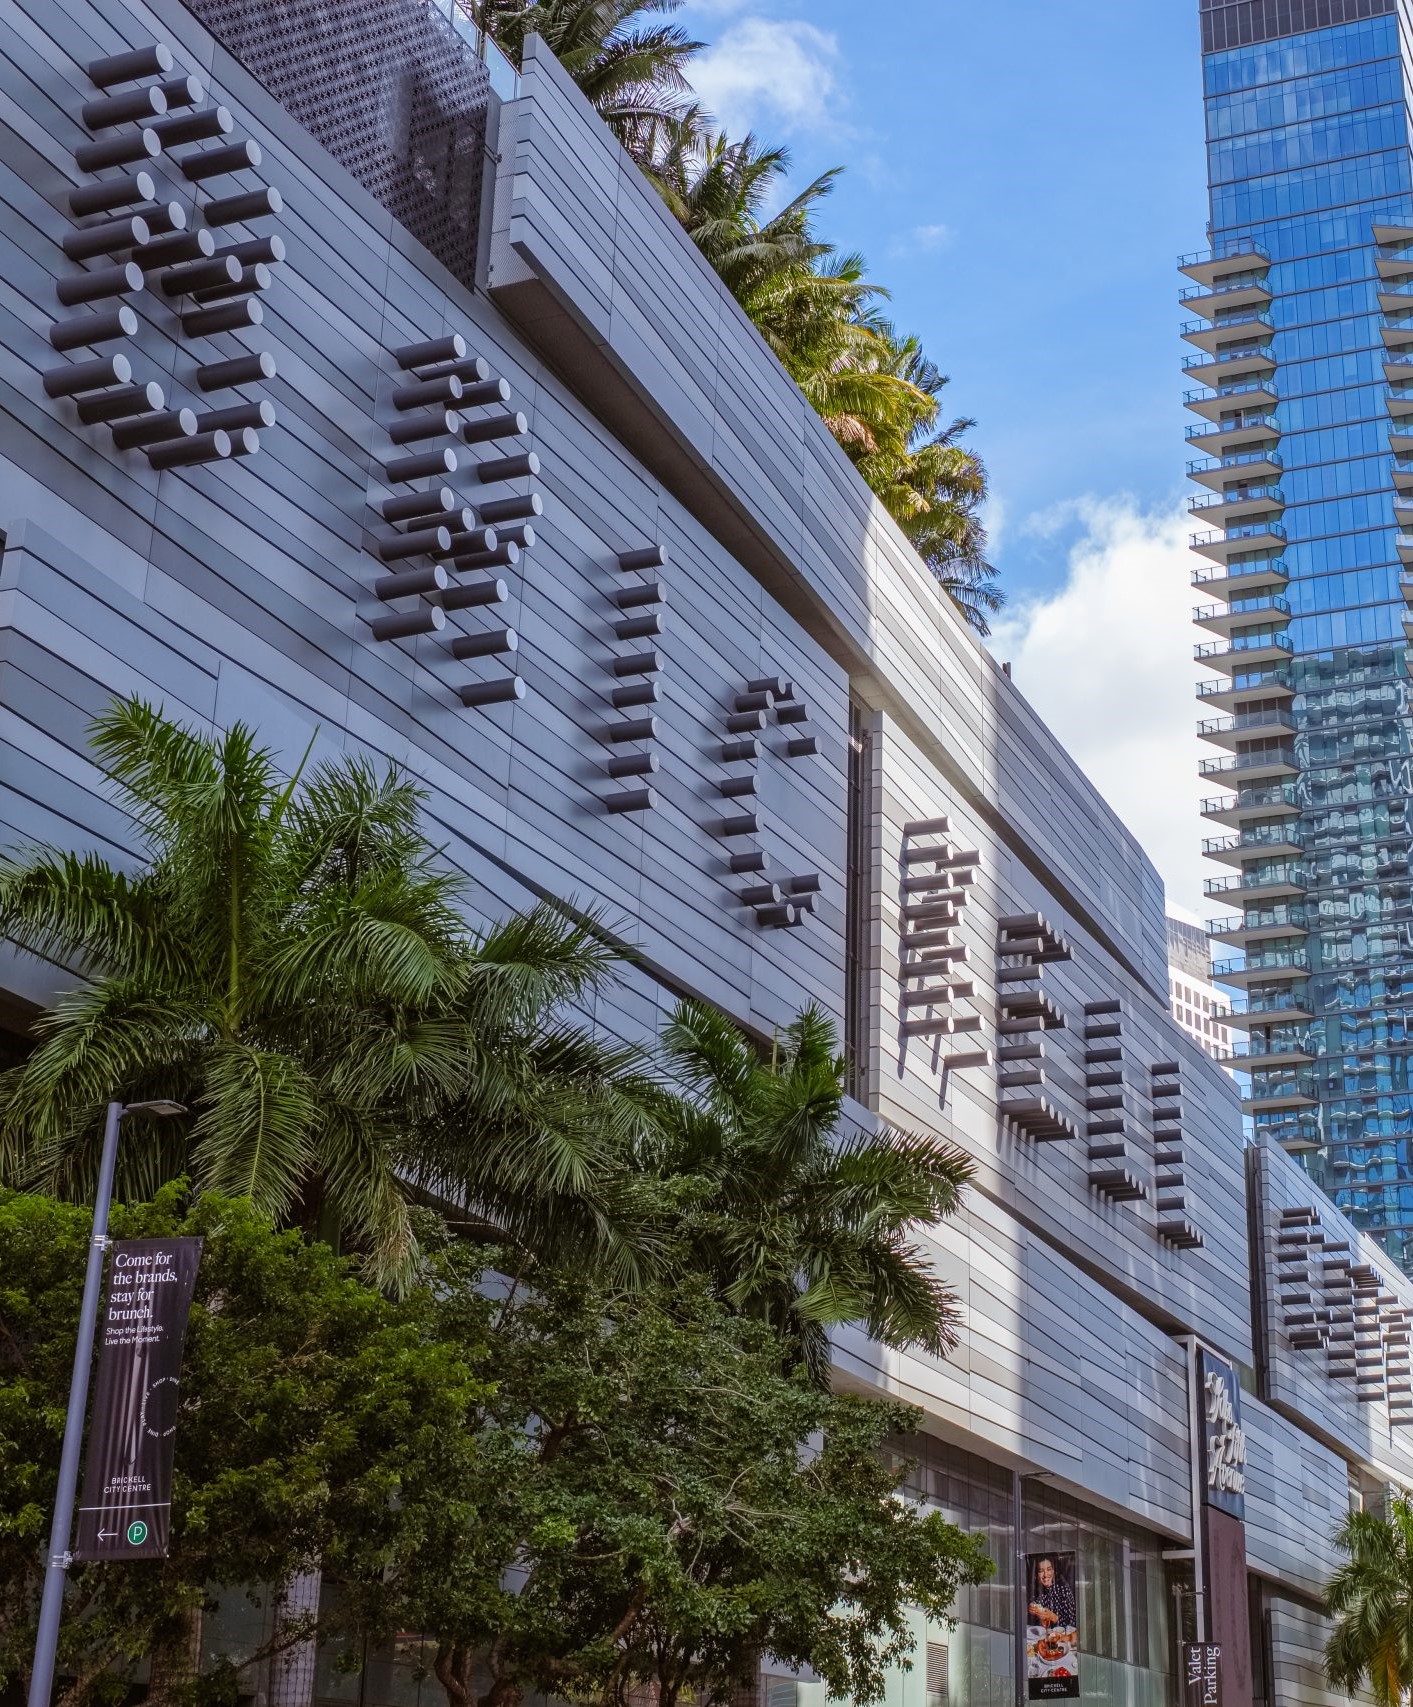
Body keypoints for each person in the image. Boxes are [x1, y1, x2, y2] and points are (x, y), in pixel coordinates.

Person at [1028, 1556, 1076, 1630]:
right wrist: (1031, 1613)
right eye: (1041, 1571)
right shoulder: (1034, 1593)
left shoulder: (1064, 1591)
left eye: (1049, 1569)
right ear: (1036, 1575)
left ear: (1053, 1571)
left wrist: (1053, 1617)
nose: (1045, 1575)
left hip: (1060, 1639)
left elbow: (1073, 1623)